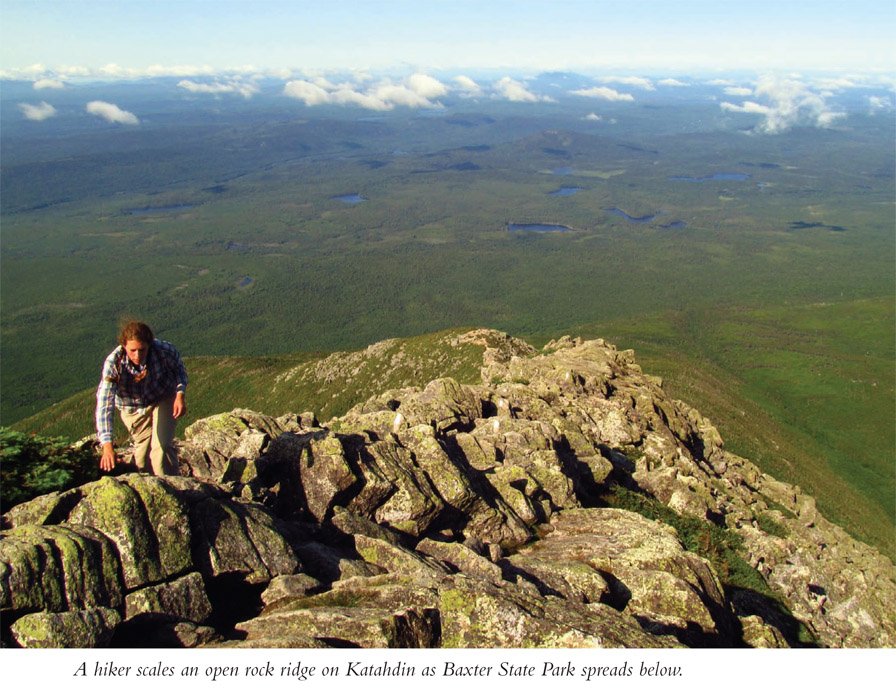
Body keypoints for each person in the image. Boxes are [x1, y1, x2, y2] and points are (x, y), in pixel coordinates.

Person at [95, 321, 188, 475]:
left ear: (149, 344)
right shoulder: (114, 363)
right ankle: (148, 484)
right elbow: (105, 404)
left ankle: (173, 486)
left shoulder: (164, 350)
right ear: (124, 346)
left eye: (142, 350)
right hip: (132, 407)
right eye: (132, 350)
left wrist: (180, 394)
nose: (137, 355)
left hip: (162, 396)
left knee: (162, 446)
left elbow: (179, 370)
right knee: (143, 456)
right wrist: (107, 445)